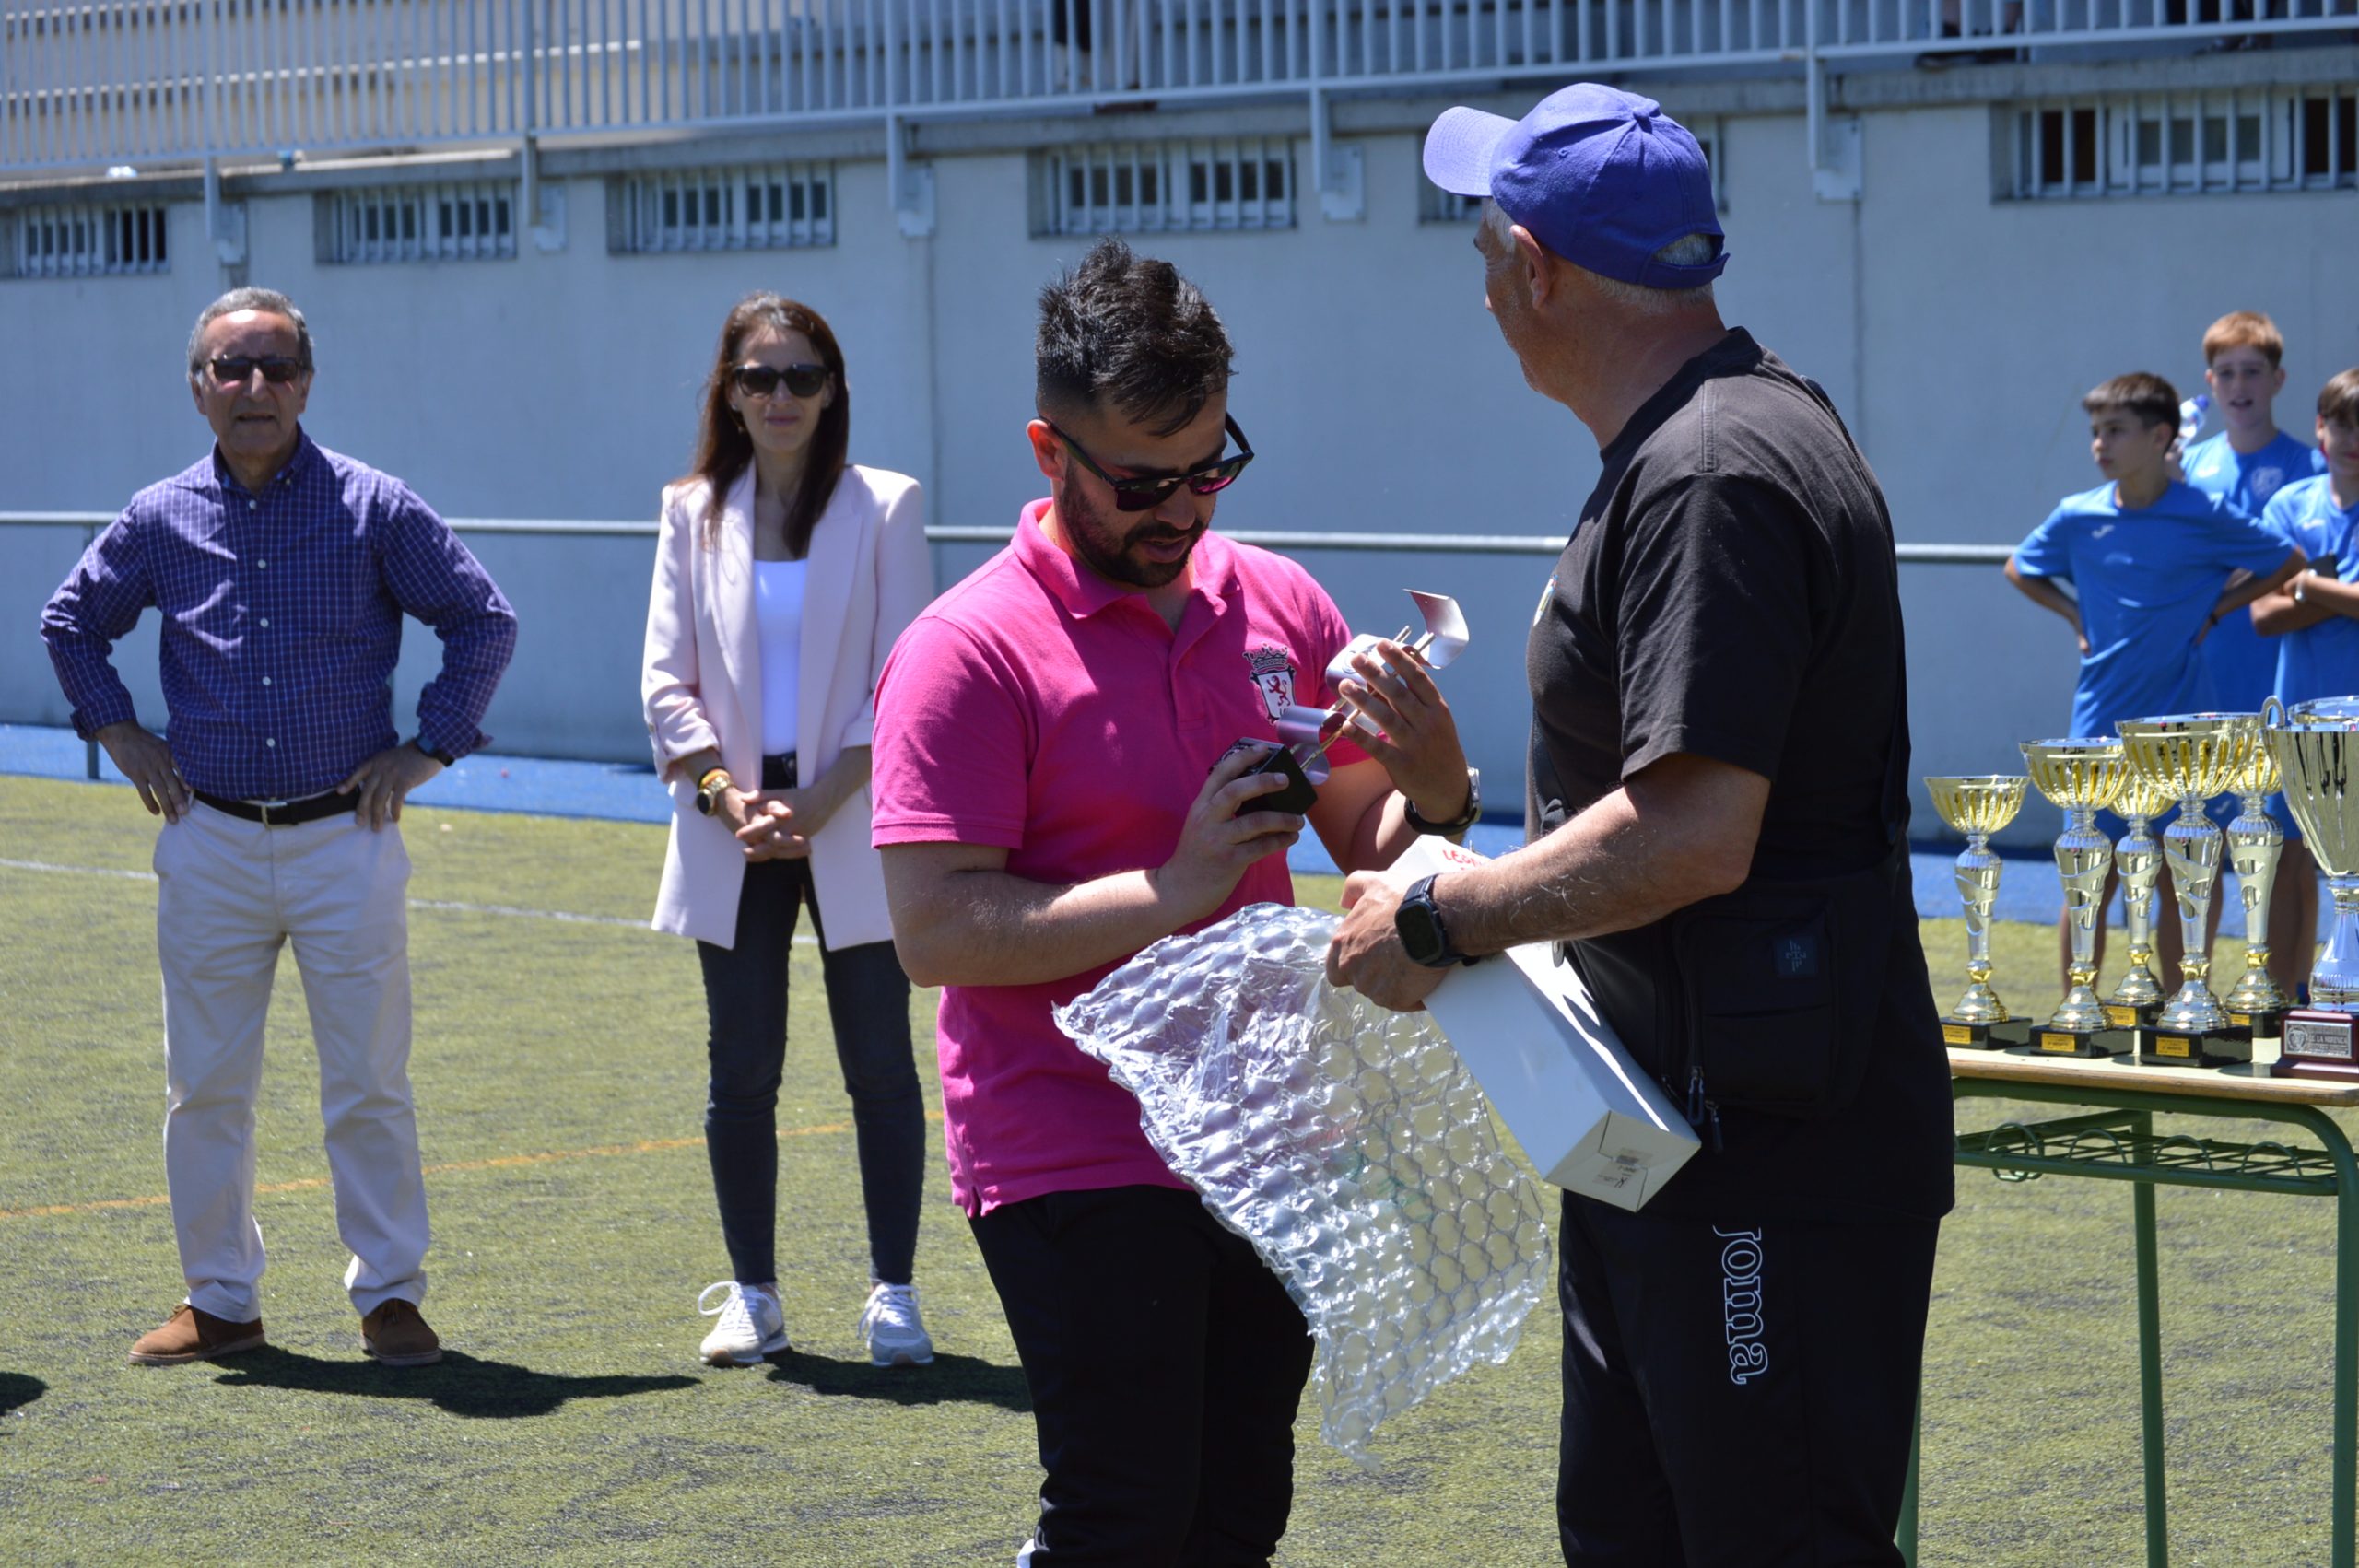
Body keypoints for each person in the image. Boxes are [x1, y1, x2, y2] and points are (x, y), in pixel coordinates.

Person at [1331, 84, 1953, 1564]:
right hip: (1681, 1138)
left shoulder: (1713, 469)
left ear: (1537, 264)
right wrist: (1456, 820)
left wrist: (1439, 913)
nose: (1477, 277)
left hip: (1763, 1160)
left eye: (1485, 239)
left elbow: (1693, 834)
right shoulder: (1701, 444)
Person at [870, 238, 1479, 1566]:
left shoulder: (1278, 603)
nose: (1185, 509)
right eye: (1143, 481)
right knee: (1125, 1507)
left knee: (1237, 1503)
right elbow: (934, 930)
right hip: (1069, 1135)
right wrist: (1173, 887)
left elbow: (1369, 835)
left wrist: (1437, 793)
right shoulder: (964, 650)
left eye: (1212, 465)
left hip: (1266, 1129)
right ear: (1049, 452)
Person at [40, 287, 517, 1368]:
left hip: (343, 836)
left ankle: (388, 1295)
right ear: (198, 387)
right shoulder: (161, 516)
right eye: (228, 367)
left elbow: (482, 619)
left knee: (368, 1081)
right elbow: (70, 621)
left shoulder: (373, 506)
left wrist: (427, 748)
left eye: (273, 367)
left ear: (306, 381)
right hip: (207, 836)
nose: (253, 387)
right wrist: (118, 732)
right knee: (204, 1083)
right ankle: (221, 1302)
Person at [641, 294, 937, 1370]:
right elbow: (664, 681)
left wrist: (818, 803)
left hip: (855, 816)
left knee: (878, 1062)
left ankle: (894, 1295)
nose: (780, 397)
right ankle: (754, 1297)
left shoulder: (886, 505)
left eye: (802, 376)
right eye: (759, 377)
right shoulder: (689, 509)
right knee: (743, 1069)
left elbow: (904, 679)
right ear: (728, 389)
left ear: (833, 390)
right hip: (734, 825)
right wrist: (730, 796)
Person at [2004, 371, 2299, 984]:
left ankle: (2181, 1013)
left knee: (2181, 869)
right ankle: (2078, 1017)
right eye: (2095, 432)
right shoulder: (2077, 516)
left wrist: (2216, 610)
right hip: (2098, 726)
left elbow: (2285, 561)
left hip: (2184, 726)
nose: (2099, 444)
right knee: (2092, 872)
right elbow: (2020, 568)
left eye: (2115, 430)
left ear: (2161, 435)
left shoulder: (2203, 514)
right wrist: (2075, 615)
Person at [2185, 310, 2328, 993]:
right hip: (2202, 683)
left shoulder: (2309, 469)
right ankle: (2199, 995)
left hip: (2277, 686)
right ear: (2210, 383)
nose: (2240, 386)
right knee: (2201, 847)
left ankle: (2280, 996)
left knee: (2288, 855)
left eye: (2253, 372)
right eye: (2227, 373)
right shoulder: (2188, 468)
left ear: (2278, 380)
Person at [2249, 369, 2359, 867]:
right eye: (2344, 425)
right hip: (2299, 721)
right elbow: (2263, 615)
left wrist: (2307, 585)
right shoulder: (2288, 506)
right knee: (2290, 859)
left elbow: (2285, 600)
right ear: (2320, 428)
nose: (2353, 440)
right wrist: (2345, 596)